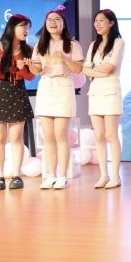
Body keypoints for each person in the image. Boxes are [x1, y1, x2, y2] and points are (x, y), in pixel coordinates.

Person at [30, 10, 84, 190]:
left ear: (63, 23)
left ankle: (62, 176)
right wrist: (31, 66)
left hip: (63, 86)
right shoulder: (40, 44)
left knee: (61, 134)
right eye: (49, 19)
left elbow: (78, 69)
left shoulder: (72, 44)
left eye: (57, 19)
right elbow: (37, 71)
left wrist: (64, 58)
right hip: (46, 87)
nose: (53, 22)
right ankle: (50, 175)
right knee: (48, 136)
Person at [0, 14, 35, 191]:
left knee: (17, 138)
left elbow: (30, 76)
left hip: (17, 92)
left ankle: (17, 176)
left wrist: (22, 70)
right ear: (12, 28)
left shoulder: (29, 50)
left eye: (28, 27)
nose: (26, 30)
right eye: (23, 26)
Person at [83, 9, 125, 189]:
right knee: (98, 135)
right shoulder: (93, 45)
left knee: (111, 135)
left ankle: (115, 176)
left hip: (111, 92)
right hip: (95, 92)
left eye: (101, 20)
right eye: (96, 21)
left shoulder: (118, 42)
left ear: (111, 22)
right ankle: (103, 175)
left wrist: (94, 70)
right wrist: (96, 71)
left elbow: (110, 67)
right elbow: (84, 69)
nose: (97, 24)